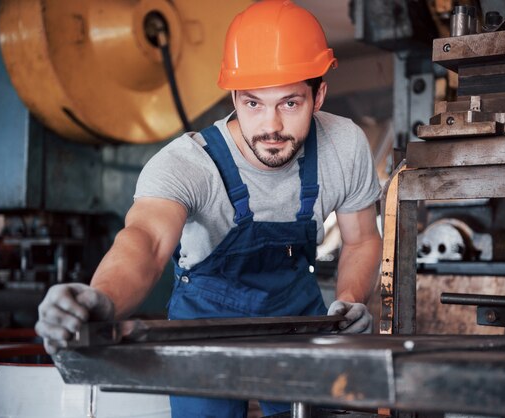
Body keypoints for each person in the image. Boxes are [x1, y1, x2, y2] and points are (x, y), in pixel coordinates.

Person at [35, 0, 383, 416]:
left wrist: (347, 300)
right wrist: (101, 299)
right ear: (234, 96)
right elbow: (144, 242)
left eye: (290, 103)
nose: (271, 126)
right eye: (254, 103)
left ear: (319, 94)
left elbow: (361, 239)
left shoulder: (344, 146)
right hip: (205, 319)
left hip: (297, 315)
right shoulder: (187, 164)